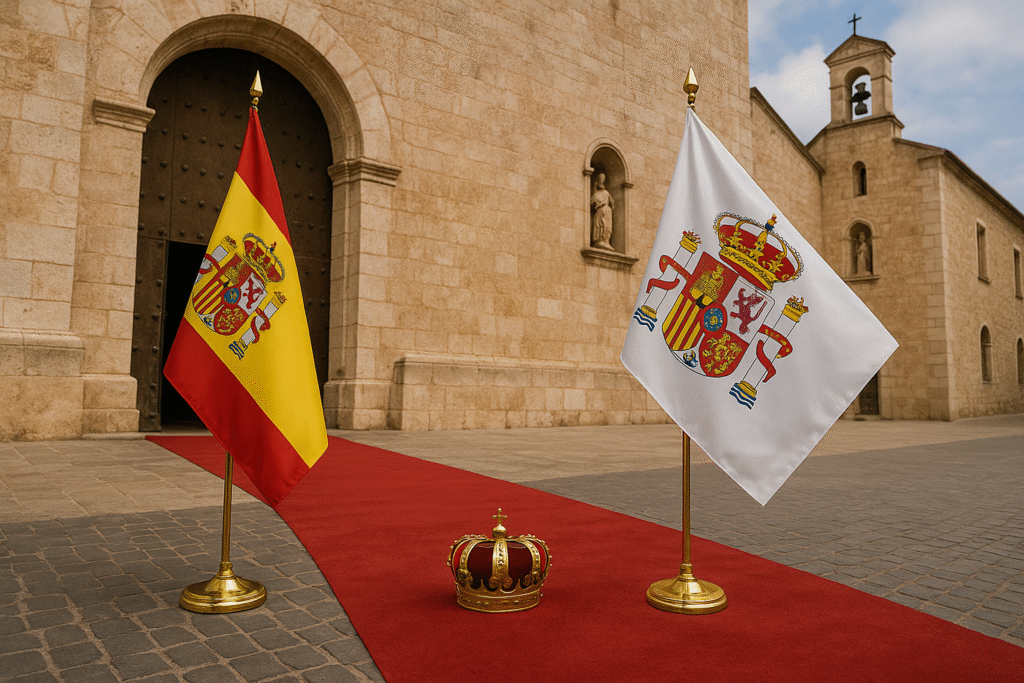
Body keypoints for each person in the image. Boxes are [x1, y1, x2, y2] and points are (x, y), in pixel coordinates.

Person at [590, 173, 614, 250]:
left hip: (607, 212)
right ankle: (600, 240)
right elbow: (592, 202)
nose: (602, 180)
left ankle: (606, 241)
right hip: (600, 212)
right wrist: (599, 204)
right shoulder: (596, 193)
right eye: (601, 178)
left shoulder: (606, 193)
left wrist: (610, 204)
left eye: (603, 178)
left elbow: (611, 203)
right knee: (600, 224)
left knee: (607, 227)